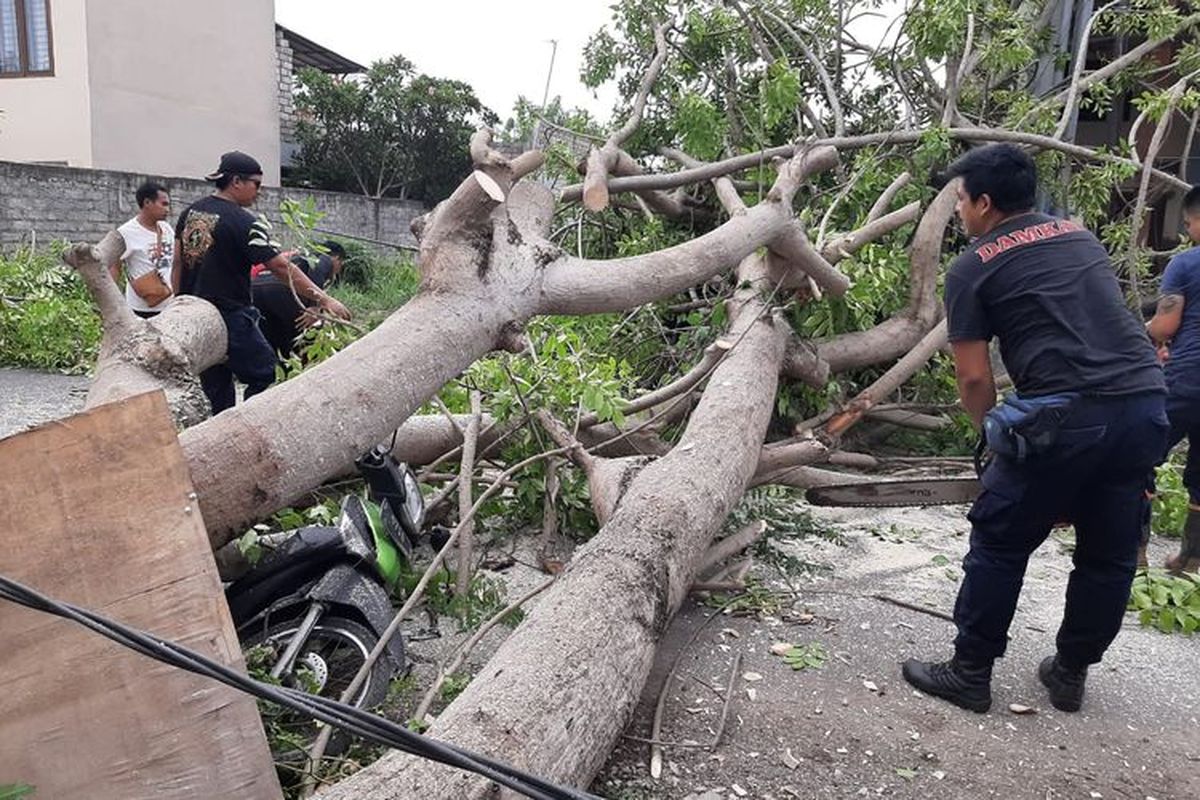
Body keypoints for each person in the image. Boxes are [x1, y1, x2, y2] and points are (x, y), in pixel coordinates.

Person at [901, 144, 1167, 714]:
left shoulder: (972, 265)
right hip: (1145, 404)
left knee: (999, 541)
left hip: (1067, 416)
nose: (958, 212)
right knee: (1109, 553)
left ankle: (970, 671)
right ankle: (1070, 674)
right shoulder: (1079, 235)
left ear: (985, 202)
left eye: (961, 200)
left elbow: (973, 379)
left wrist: (992, 440)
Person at [173, 151, 350, 414]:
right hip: (229, 314)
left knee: (217, 383)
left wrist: (178, 303)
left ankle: (223, 431)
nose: (259, 192)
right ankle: (251, 426)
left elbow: (177, 262)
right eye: (256, 184)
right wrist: (324, 299)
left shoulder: (190, 213)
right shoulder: (245, 223)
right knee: (264, 372)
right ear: (236, 181)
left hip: (195, 315)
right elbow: (279, 266)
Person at [1145, 184, 1200, 574]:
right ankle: (1192, 557)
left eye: (1189, 222)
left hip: (1186, 380)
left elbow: (1166, 325)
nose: (1187, 230)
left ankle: (1132, 552)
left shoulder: (1186, 264)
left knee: (1139, 456)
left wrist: (1144, 334)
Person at [109, 181, 175, 318]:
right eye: (163, 204)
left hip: (169, 305)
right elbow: (115, 268)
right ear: (147, 203)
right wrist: (113, 304)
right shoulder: (126, 232)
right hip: (141, 307)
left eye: (168, 204)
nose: (167, 209)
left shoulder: (166, 228)